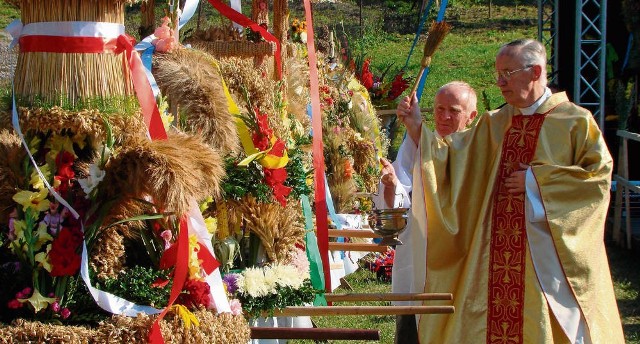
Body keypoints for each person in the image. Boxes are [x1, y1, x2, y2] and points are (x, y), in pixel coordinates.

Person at [394, 38, 624, 343]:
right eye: (498, 74)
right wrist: (417, 127)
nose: (500, 83)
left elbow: (596, 180)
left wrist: (536, 182)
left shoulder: (574, 122)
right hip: (493, 260)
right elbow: (451, 157)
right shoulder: (495, 123)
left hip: (545, 264)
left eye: (508, 73)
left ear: (535, 71)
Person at [376, 81, 478, 344]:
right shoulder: (418, 144)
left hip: (457, 263)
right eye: (439, 109)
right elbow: (398, 202)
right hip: (416, 258)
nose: (444, 117)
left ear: (471, 116)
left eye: (454, 111)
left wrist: (417, 129)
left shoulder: (475, 151)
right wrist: (390, 184)